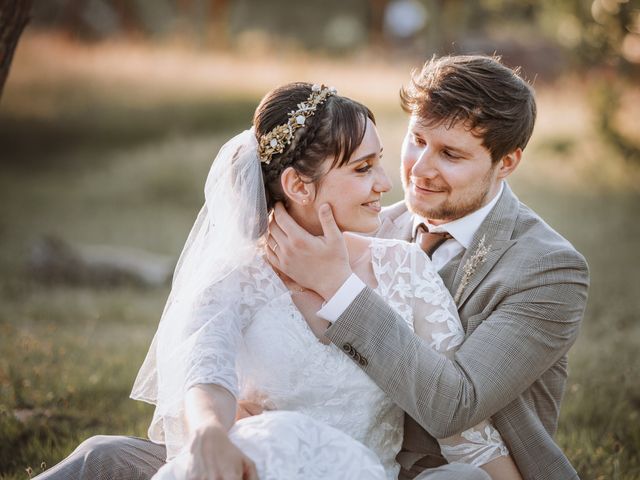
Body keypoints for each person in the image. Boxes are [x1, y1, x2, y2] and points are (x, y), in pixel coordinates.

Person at [34, 82, 523, 480]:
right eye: (362, 168)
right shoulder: (236, 273)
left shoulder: (403, 268)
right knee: (102, 457)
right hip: (255, 470)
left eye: (378, 162)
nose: (385, 184)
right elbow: (207, 368)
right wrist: (208, 433)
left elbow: (465, 427)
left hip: (364, 473)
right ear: (297, 185)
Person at [268, 56, 590, 480]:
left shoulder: (549, 270)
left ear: (506, 163)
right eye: (417, 140)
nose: (420, 170)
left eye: (450, 154)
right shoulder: (365, 225)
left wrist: (338, 287)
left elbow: (455, 406)